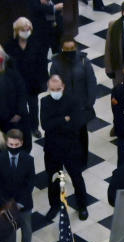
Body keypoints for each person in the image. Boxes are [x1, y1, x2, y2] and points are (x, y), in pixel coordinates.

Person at [40, 74, 89, 220]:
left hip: (71, 147)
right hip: (52, 149)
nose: (55, 91)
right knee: (53, 179)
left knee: (76, 177)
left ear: (63, 87)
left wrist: (57, 122)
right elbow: (45, 125)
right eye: (52, 89)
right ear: (48, 89)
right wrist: (64, 119)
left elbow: (76, 124)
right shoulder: (45, 101)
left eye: (58, 88)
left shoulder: (73, 101)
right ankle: (54, 206)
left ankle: (82, 206)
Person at [0, 129, 37, 242]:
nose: (13, 148)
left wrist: (19, 203)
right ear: (7, 143)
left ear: (21, 143)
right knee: (9, 229)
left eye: (16, 145)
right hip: (6, 203)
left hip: (24, 203)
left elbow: (30, 183)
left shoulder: (28, 160)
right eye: (11, 145)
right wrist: (7, 203)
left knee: (26, 229)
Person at [49, 38, 98, 163]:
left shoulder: (83, 61)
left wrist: (89, 103)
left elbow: (91, 83)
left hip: (81, 107)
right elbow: (53, 85)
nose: (69, 51)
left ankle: (83, 159)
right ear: (62, 49)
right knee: (66, 134)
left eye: (72, 48)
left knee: (82, 134)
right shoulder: (56, 64)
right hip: (64, 107)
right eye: (67, 49)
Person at [4, 17, 49, 139]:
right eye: (23, 29)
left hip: (32, 82)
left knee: (34, 105)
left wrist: (44, 80)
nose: (26, 31)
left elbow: (42, 63)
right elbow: (7, 66)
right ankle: (23, 127)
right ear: (17, 30)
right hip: (17, 83)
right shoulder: (9, 46)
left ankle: (34, 127)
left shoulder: (36, 43)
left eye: (28, 29)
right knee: (20, 107)